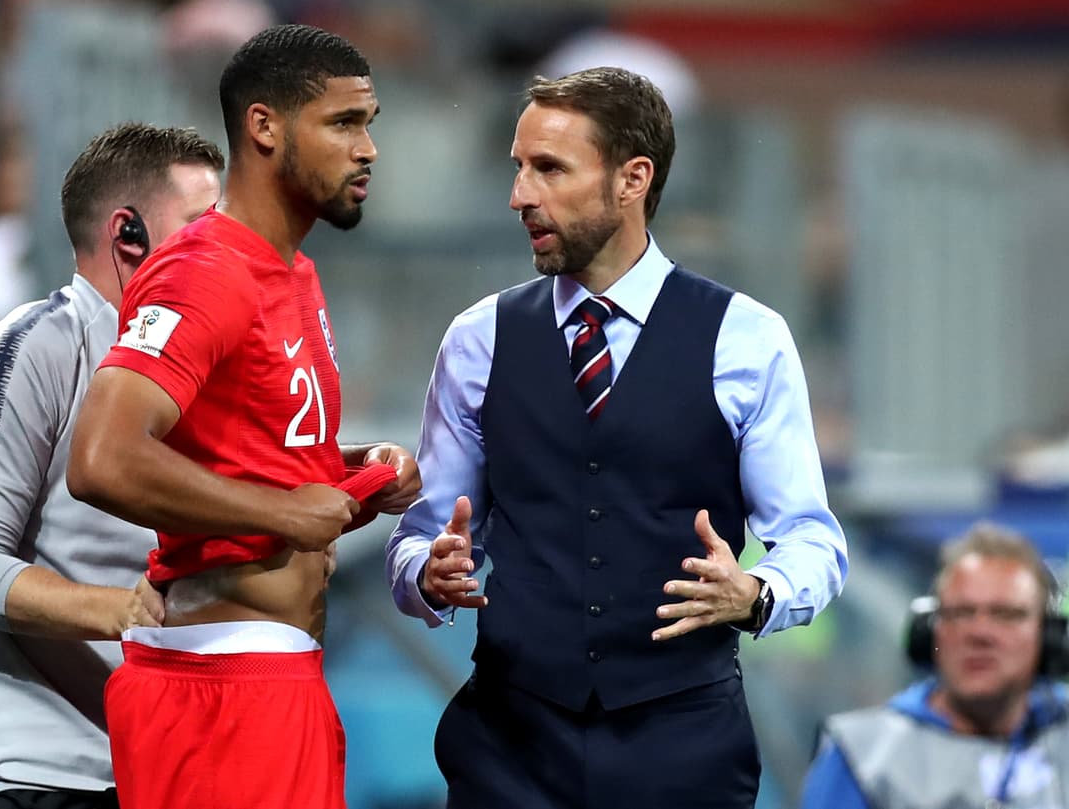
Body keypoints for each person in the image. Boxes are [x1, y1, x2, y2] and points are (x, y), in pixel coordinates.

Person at [384, 66, 849, 809]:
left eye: (549, 169)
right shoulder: (477, 340)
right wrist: (425, 574)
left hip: (684, 747)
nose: (519, 196)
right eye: (517, 168)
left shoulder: (748, 339)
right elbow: (420, 539)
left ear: (633, 179)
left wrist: (758, 591)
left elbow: (813, 539)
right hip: (509, 746)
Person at [66, 24, 421, 809]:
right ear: (263, 126)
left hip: (276, 674)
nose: (367, 149)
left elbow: (265, 468)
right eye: (343, 123)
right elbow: (101, 456)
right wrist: (285, 510)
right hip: (217, 688)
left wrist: (358, 472)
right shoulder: (203, 270)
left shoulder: (295, 274)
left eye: (370, 124)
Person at [0, 122, 224, 809]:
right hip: (44, 776)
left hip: (170, 770)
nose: (224, 251)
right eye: (200, 227)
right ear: (127, 235)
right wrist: (126, 611)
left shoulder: (195, 363)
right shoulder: (27, 352)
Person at [800, 523, 1069, 809]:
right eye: (961, 613)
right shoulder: (862, 755)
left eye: (1005, 614)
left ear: (1048, 635)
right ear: (929, 633)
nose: (979, 633)